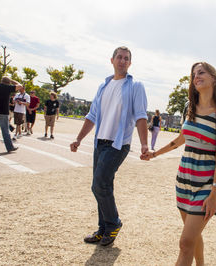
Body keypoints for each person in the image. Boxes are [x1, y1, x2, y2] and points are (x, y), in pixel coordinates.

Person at [141, 62, 216, 266]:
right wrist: (155, 153)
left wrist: (214, 192)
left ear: (213, 78)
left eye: (201, 73)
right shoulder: (189, 107)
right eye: (194, 74)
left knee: (185, 242)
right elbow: (180, 140)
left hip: (206, 184)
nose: (196, 77)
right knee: (192, 236)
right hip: (184, 179)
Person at [70, 46, 148, 246]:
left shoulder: (135, 86)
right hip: (100, 142)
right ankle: (103, 229)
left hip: (118, 143)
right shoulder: (103, 86)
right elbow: (92, 116)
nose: (122, 61)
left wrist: (144, 144)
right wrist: (79, 139)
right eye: (119, 57)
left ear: (130, 63)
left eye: (126, 58)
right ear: (111, 60)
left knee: (99, 185)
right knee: (103, 186)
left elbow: (140, 116)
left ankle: (113, 223)